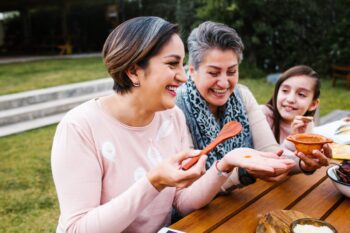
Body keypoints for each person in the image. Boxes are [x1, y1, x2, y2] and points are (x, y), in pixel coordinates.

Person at [51, 17, 294, 233]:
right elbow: (77, 228)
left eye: (182, 64)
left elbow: (181, 201)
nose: (184, 76)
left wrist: (224, 164)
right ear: (134, 71)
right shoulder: (80, 127)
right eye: (172, 64)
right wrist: (153, 182)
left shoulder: (172, 117)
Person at [176, 22, 331, 191]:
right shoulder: (177, 106)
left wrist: (303, 163)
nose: (223, 83)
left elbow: (271, 152)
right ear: (192, 71)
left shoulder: (243, 95)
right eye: (213, 72)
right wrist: (242, 173)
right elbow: (188, 183)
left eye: (232, 71)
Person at [261, 65, 332, 172]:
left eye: (301, 94)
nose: (290, 99)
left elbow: (303, 162)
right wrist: (293, 139)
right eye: (285, 90)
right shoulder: (262, 116)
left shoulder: (306, 125)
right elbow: (266, 160)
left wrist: (308, 163)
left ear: (313, 104)